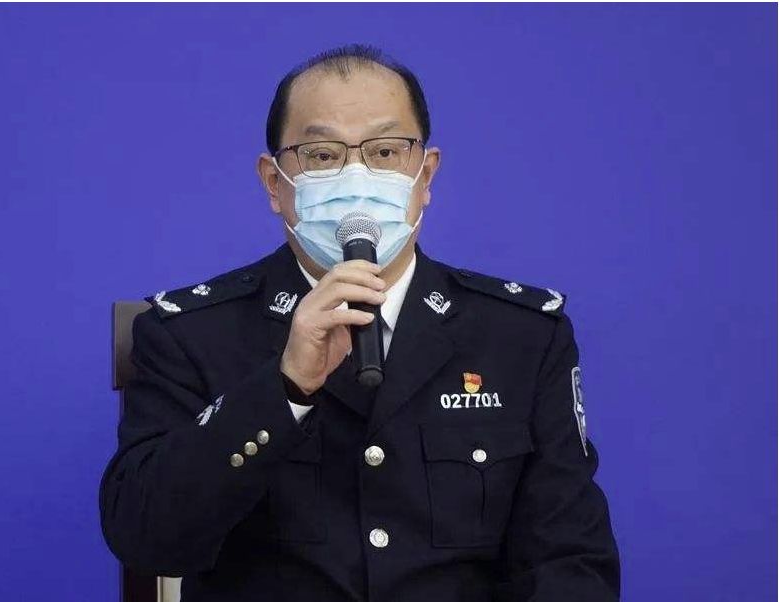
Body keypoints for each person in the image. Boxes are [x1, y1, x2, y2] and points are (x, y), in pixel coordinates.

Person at [99, 44, 620, 602]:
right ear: (274, 184)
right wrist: (283, 388)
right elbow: (146, 540)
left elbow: (569, 559)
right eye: (322, 155)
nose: (356, 177)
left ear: (425, 175)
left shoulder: (522, 336)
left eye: (386, 151)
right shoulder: (189, 335)